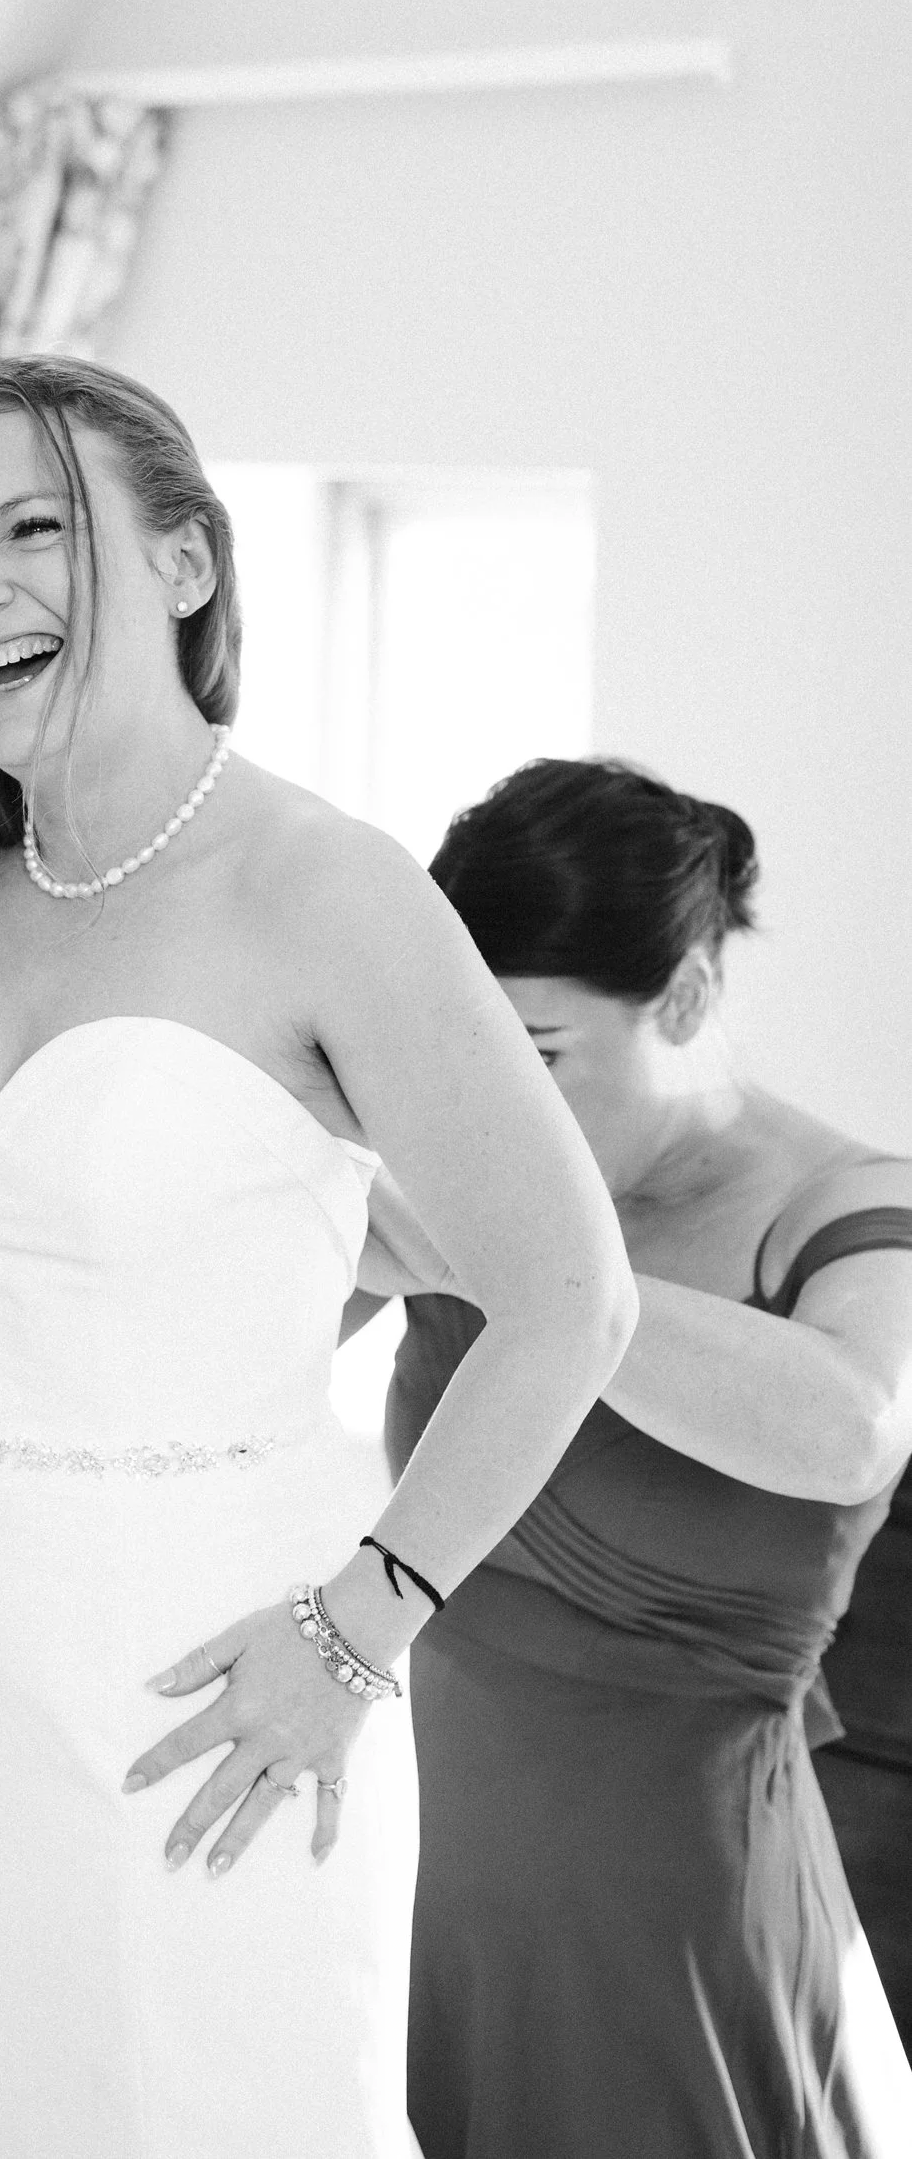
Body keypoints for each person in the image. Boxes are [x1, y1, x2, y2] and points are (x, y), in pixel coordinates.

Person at [0, 356, 636, 2159]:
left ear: (184, 562)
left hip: (218, 1669)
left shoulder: (325, 890)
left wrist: (361, 1627)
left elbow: (572, 1299)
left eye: (35, 529)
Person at [384, 757, 912, 2158]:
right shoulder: (478, 1172)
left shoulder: (843, 1202)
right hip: (446, 1883)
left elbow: (853, 1426)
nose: (503, 1104)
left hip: (681, 1908)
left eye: (541, 1053)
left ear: (683, 997)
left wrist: (521, 1270)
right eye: (474, 1053)